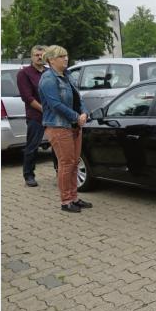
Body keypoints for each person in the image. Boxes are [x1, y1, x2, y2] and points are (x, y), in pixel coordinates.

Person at [38, 45, 93, 213]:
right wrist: (76, 116)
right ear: (51, 60)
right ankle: (66, 201)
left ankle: (74, 198)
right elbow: (55, 104)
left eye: (66, 55)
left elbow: (78, 98)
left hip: (74, 125)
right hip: (59, 126)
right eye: (62, 56)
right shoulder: (48, 79)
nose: (66, 59)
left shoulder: (68, 75)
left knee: (74, 163)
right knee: (66, 163)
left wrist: (84, 112)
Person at [16, 45, 48, 187]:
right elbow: (27, 97)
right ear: (31, 56)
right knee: (33, 146)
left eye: (42, 55)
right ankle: (29, 175)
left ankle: (59, 171)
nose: (39, 57)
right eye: (36, 55)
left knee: (57, 145)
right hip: (36, 115)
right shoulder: (24, 73)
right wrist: (44, 110)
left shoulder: (49, 72)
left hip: (53, 115)